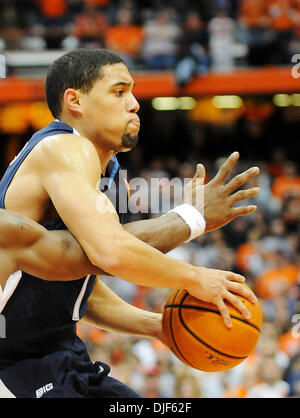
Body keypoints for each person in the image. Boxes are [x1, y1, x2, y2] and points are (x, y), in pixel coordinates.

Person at [0, 48, 260, 398]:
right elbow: (110, 251)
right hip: (12, 363)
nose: (135, 103)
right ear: (75, 101)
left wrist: (159, 327)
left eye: (132, 91)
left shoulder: (109, 173)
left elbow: (79, 287)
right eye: (119, 92)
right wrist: (195, 255)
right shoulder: (63, 147)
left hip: (58, 356)